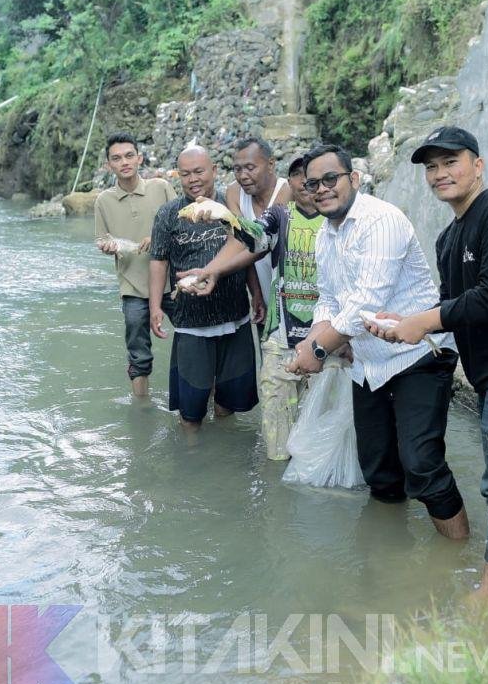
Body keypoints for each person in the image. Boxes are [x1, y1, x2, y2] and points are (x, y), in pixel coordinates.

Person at [366, 126, 488, 600]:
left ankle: (486, 604)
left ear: (478, 165)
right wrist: (412, 320)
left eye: (450, 161)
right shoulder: (449, 238)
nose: (440, 174)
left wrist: (426, 320)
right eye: (431, 167)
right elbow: (456, 305)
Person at [290, 143, 469, 539]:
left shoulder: (381, 220)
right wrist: (313, 341)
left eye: (330, 179)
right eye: (313, 183)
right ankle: (388, 560)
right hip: (368, 365)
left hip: (417, 356)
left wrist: (318, 349)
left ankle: (459, 554)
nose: (321, 189)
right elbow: (329, 298)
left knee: (421, 462)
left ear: (353, 179)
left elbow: (365, 301)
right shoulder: (326, 235)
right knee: (379, 471)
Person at [179, 154, 326, 459]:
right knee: (277, 438)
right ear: (291, 180)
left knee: (320, 433)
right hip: (280, 338)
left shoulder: (341, 219)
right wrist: (214, 264)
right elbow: (250, 236)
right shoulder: (279, 217)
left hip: (329, 340)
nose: (306, 183)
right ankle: (277, 495)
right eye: (299, 175)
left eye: (314, 177)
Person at [148, 146, 264, 431]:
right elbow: (158, 262)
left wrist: (257, 294)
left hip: (234, 317)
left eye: (199, 171)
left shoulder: (231, 206)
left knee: (229, 402)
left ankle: (224, 459)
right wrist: (154, 307)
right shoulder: (168, 214)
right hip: (191, 323)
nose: (192, 179)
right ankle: (191, 460)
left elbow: (249, 250)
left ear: (214, 170)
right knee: (191, 411)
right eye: (185, 174)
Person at [93, 134, 177, 398]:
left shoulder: (161, 187)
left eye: (129, 156)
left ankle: (199, 395)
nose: (124, 162)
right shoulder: (103, 201)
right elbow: (103, 240)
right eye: (116, 158)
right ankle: (141, 408)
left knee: (192, 337)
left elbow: (182, 224)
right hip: (133, 286)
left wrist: (158, 236)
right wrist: (107, 248)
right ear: (109, 165)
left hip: (171, 281)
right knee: (138, 351)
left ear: (139, 158)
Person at [225, 137, 289, 325]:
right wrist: (256, 293)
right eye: (237, 169)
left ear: (270, 164)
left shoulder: (287, 191)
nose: (243, 175)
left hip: (295, 298)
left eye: (250, 168)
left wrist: (215, 272)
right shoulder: (234, 193)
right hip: (266, 301)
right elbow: (241, 243)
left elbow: (260, 244)